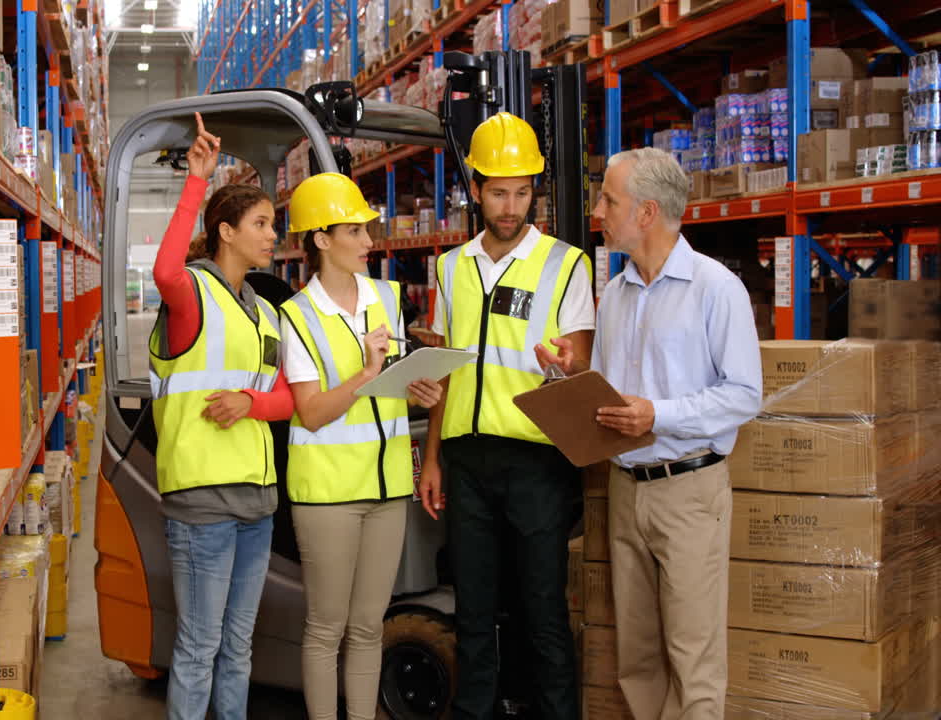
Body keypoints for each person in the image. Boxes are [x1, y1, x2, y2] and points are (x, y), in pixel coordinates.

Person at [544, 147, 762, 720]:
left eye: (608, 201)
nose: (598, 211)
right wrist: (574, 374)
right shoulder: (615, 295)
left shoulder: (715, 289)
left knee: (693, 657)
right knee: (637, 656)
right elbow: (615, 393)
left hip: (688, 491)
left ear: (645, 213)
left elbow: (744, 394)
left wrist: (656, 416)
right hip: (626, 489)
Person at [417, 112, 595, 720]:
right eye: (498, 192)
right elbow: (442, 370)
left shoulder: (566, 264)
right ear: (475, 189)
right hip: (466, 462)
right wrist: (434, 459)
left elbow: (580, 364)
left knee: (542, 611)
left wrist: (565, 364)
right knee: (472, 609)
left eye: (522, 192)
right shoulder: (449, 267)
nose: (511, 206)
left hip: (536, 462)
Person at [278, 173, 444, 720]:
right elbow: (312, 411)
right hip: (327, 492)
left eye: (366, 229)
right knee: (327, 628)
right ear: (322, 239)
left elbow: (388, 387)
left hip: (388, 486)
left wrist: (417, 386)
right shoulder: (298, 315)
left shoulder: (386, 298)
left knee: (369, 625)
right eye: (355, 230)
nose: (369, 240)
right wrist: (369, 372)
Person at [148, 113, 296, 720]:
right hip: (204, 503)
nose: (272, 234)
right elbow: (164, 270)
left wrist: (251, 404)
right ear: (226, 232)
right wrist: (196, 182)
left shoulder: (262, 311)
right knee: (200, 647)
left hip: (256, 505)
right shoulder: (193, 297)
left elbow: (287, 397)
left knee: (238, 647)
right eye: (261, 224)